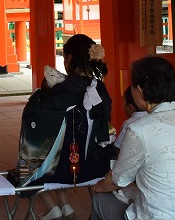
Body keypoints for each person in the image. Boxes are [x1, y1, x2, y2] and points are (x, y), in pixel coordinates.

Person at [91, 56, 175, 220]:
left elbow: (118, 179)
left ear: (140, 90)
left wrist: (97, 187)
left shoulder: (139, 129)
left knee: (100, 200)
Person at [16, 34, 112, 220]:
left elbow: (36, 120)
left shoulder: (62, 89)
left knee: (30, 162)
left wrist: (38, 96)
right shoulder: (100, 88)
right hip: (97, 165)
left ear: (69, 59)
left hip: (64, 169)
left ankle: (54, 209)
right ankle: (73, 207)